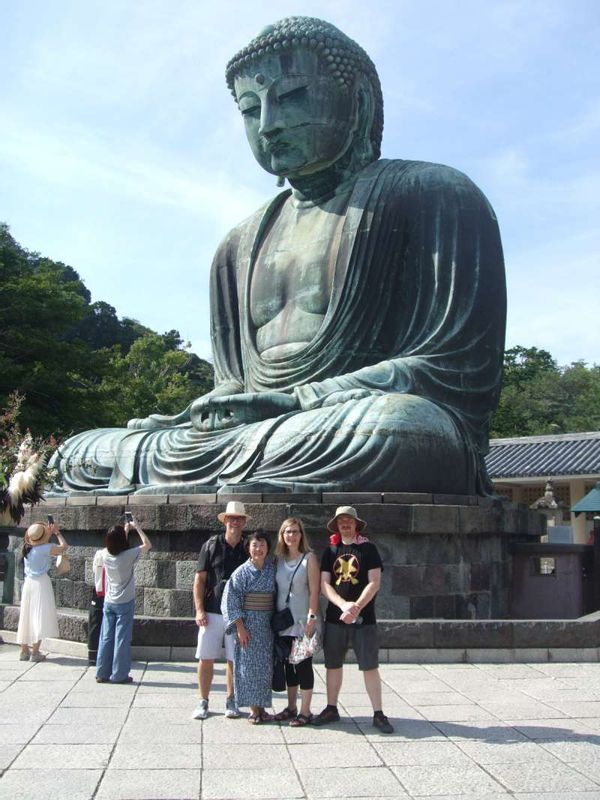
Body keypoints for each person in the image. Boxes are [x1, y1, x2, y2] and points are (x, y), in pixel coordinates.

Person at [51, 15, 506, 499]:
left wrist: (297, 399)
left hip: (353, 423)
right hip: (263, 438)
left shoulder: (433, 194)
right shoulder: (237, 244)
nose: (269, 124)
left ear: (359, 103)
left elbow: (456, 370)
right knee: (82, 452)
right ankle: (209, 474)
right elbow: (233, 382)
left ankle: (224, 477)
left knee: (399, 428)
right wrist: (204, 411)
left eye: (291, 97)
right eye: (251, 109)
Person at [314, 506, 393, 734]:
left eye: (349, 521)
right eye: (341, 522)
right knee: (333, 664)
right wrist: (343, 605)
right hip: (336, 616)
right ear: (337, 526)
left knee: (369, 665)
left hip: (363, 618)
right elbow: (325, 584)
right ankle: (331, 707)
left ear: (356, 524)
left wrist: (357, 607)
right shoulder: (330, 550)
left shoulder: (368, 549)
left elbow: (375, 582)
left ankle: (378, 713)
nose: (345, 524)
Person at [191, 500, 248, 720]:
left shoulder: (248, 547)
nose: (235, 522)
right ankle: (203, 700)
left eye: (239, 519)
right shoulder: (211, 545)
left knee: (234, 659)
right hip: (212, 610)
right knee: (205, 657)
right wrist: (199, 610)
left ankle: (231, 699)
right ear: (225, 521)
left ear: (243, 522)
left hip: (237, 614)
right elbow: (199, 580)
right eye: (231, 518)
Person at [221, 529, 275, 724]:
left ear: (268, 548)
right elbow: (231, 601)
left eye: (262, 545)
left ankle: (262, 708)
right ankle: (253, 710)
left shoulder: (271, 569)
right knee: (248, 667)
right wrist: (240, 627)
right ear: (248, 548)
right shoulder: (241, 572)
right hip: (248, 625)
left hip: (266, 626)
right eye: (254, 545)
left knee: (264, 668)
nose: (258, 549)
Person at [272, 517, 320, 726]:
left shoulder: (309, 558)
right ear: (282, 535)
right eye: (287, 532)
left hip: (302, 621)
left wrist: (312, 616)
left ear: (301, 535)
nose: (291, 535)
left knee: (303, 665)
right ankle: (291, 707)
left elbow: (315, 590)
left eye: (295, 531)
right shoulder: (278, 560)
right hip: (283, 622)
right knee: (288, 667)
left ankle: (306, 711)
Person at [95, 516, 152, 684]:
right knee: (122, 638)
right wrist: (138, 528)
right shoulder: (128, 555)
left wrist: (125, 530)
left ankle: (102, 673)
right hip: (125, 601)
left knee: (106, 636)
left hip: (109, 600)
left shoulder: (104, 554)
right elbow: (147, 545)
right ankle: (119, 674)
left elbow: (116, 545)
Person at [17, 521, 68, 661]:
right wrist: (56, 532)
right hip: (41, 583)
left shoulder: (26, 548)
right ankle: (35, 652)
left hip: (28, 584)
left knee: (26, 616)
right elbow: (64, 547)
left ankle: (24, 651)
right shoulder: (47, 548)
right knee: (39, 616)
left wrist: (47, 535)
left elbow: (40, 542)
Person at [88, 548, 106, 666]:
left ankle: (93, 654)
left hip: (100, 591)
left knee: (95, 622)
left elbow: (95, 570)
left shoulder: (100, 554)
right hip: (112, 592)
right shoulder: (122, 555)